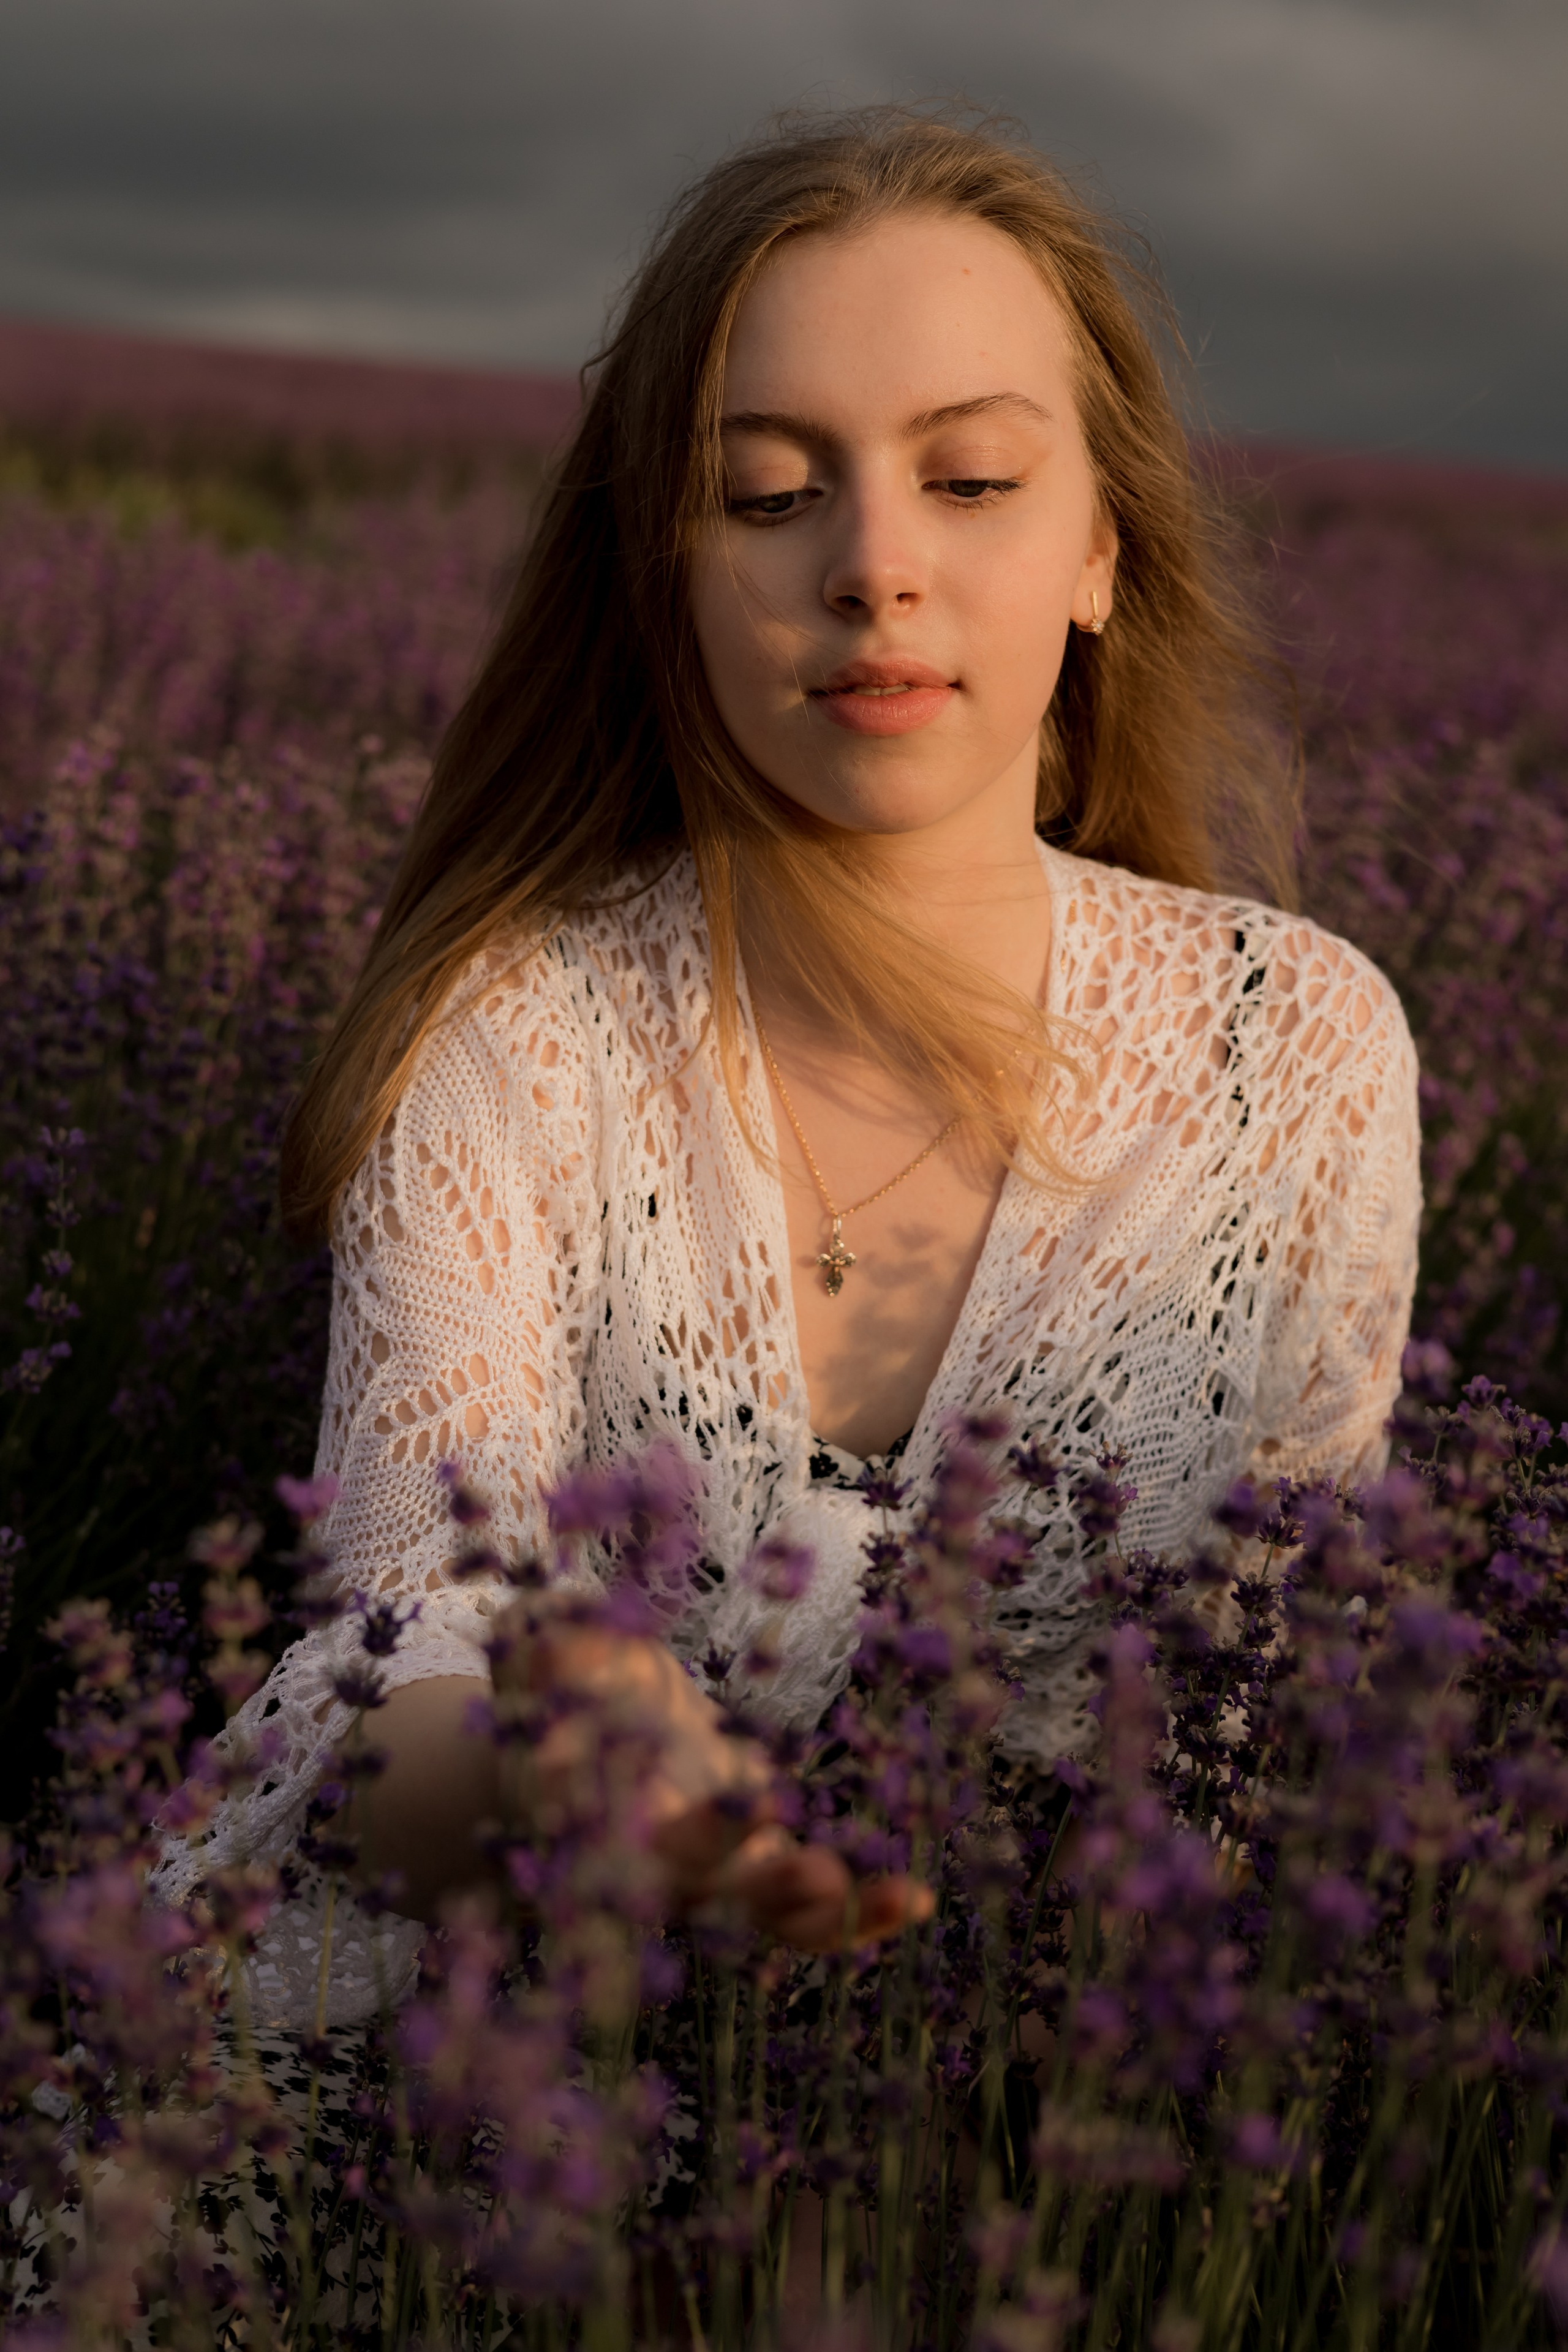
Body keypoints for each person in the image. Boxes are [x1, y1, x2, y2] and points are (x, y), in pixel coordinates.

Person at [154, 107, 1420, 2035]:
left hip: (1039, 2126)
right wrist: (543, 1775)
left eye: (975, 478)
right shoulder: (520, 1033)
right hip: (447, 2093)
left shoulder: (1299, 1052)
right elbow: (393, 1665)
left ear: (1100, 546)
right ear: (663, 567)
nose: (876, 568)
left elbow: (1271, 1718)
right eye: (766, 496)